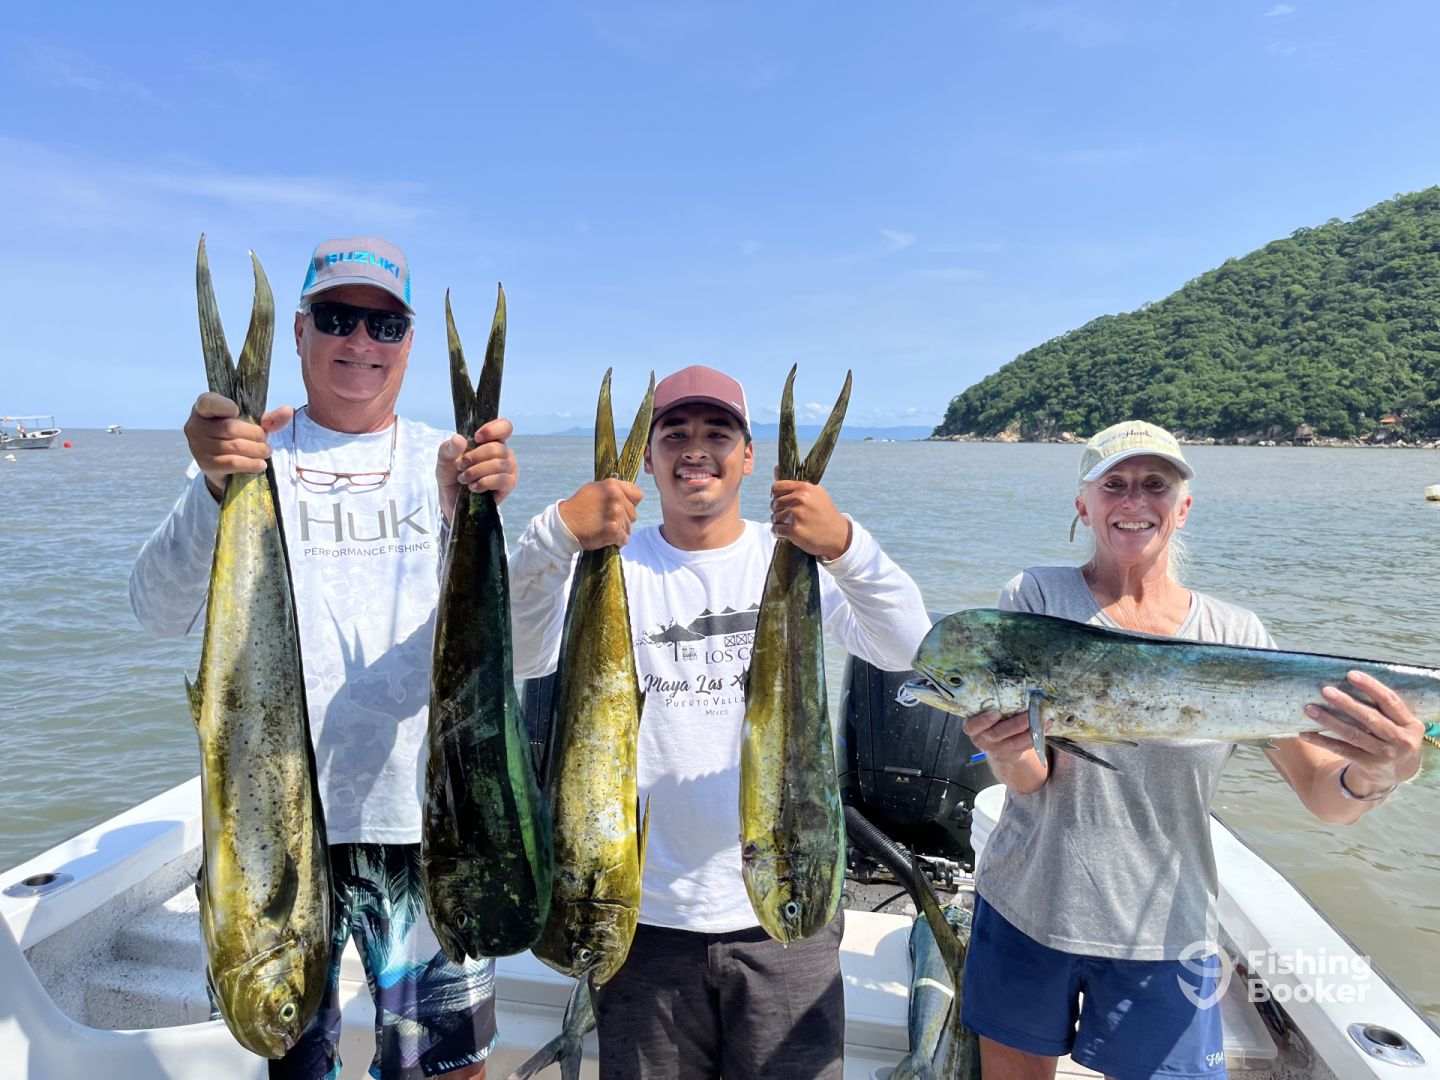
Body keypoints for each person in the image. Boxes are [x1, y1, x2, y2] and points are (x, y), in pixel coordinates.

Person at [129, 236, 517, 1080]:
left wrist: (467, 517)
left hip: (426, 828)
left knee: (449, 1069)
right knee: (291, 1057)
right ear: (301, 332)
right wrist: (213, 486)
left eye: (385, 325)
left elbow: (509, 646)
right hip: (273, 841)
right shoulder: (249, 458)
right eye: (339, 318)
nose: (361, 341)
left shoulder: (448, 465)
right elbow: (155, 611)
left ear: (409, 342)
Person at [958, 420, 1426, 1080]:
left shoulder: (1235, 634)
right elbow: (1033, 779)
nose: (1134, 501)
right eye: (1114, 485)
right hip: (1028, 908)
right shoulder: (1036, 599)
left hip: (1167, 932)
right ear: (1083, 505)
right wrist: (1004, 750)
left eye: (1156, 484)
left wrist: (1386, 771)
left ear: (1183, 507)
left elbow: (1328, 798)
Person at [508, 365, 931, 1079]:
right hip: (641, 919)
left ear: (749, 456)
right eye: (674, 435)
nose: (695, 450)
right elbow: (520, 654)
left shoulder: (788, 555)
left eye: (717, 433)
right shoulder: (614, 564)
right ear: (649, 459)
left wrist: (845, 544)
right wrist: (555, 534)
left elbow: (907, 647)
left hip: (785, 915)